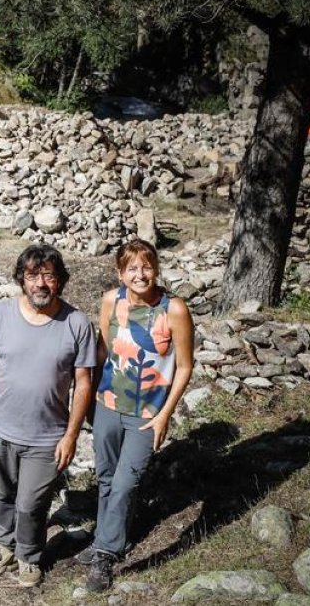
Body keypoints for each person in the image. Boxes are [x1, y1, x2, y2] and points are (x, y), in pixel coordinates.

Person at [0, 244, 96, 588]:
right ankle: (3, 544)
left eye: (48, 275)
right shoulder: (0, 315)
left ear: (60, 280)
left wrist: (71, 435)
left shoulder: (77, 323)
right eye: (32, 275)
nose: (40, 283)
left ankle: (28, 554)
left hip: (48, 434)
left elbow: (83, 385)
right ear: (21, 279)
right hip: (0, 427)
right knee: (4, 494)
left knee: (32, 502)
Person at [81, 239, 194, 592]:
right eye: (132, 268)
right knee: (106, 477)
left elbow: (185, 367)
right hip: (107, 405)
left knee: (127, 482)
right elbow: (102, 352)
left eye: (146, 266)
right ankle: (107, 535)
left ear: (156, 269)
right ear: (120, 273)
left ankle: (105, 551)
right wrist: (86, 402)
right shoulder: (109, 301)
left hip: (147, 413)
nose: (140, 274)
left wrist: (164, 416)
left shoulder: (173, 309)